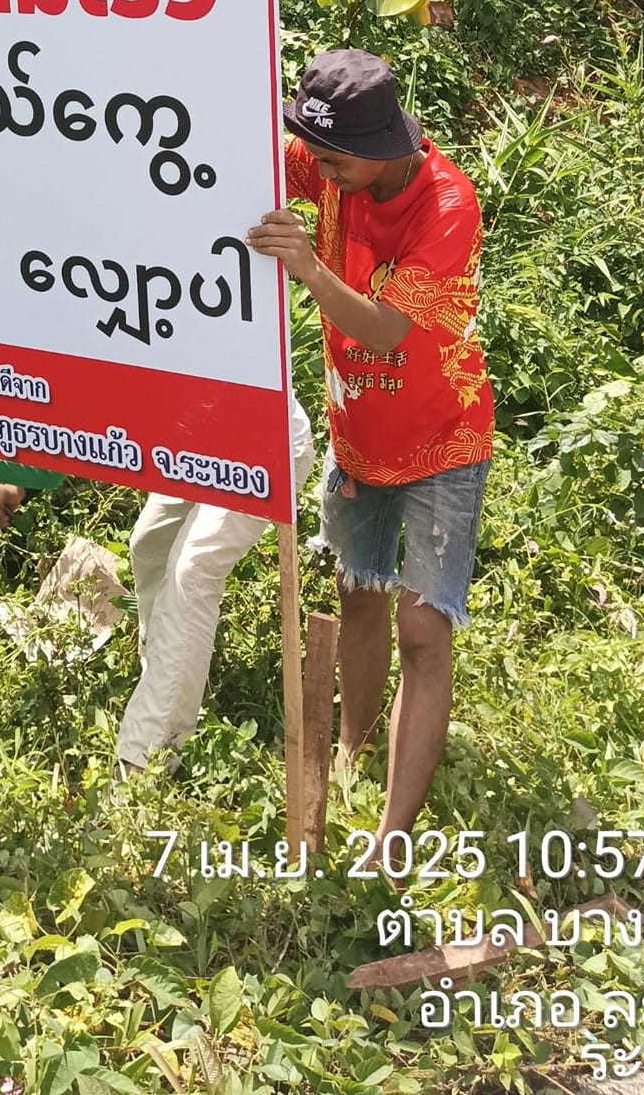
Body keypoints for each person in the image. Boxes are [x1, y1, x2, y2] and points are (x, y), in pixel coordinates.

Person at [248, 47, 493, 841]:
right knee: (358, 593)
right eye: (312, 155)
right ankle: (352, 753)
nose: (316, 172)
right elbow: (240, 147)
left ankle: (392, 834)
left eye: (333, 161)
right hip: (357, 434)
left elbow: (388, 331)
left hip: (443, 437)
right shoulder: (329, 163)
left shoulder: (447, 203)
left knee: (421, 629)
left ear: (383, 145)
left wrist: (308, 270)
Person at [116, 399, 316, 773]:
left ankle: (149, 755)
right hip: (202, 439)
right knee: (149, 545)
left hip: (268, 442)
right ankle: (167, 684)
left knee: (191, 572)